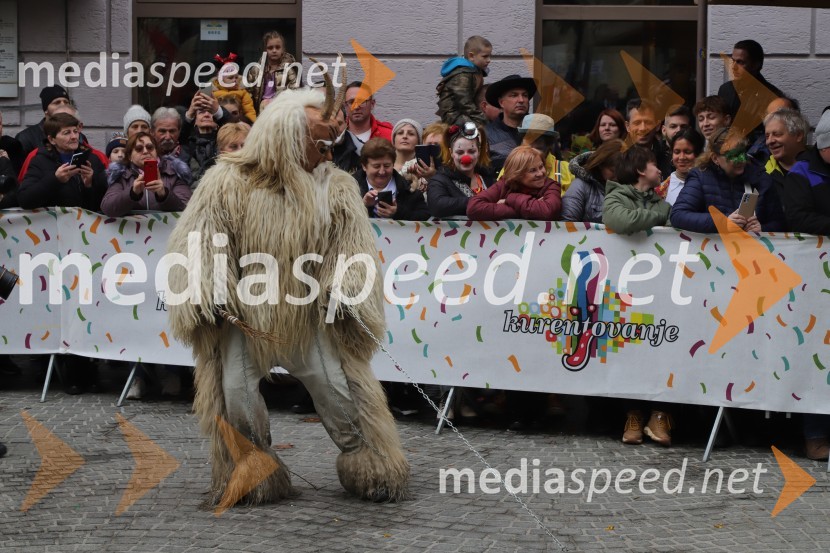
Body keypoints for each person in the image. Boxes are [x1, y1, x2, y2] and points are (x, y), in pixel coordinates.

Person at [166, 84, 410, 507]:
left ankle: (368, 461)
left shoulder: (335, 187)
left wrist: (345, 291)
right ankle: (253, 469)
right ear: (287, 136)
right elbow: (198, 241)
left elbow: (353, 248)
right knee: (236, 394)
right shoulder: (226, 180)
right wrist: (210, 290)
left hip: (307, 311)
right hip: (245, 312)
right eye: (320, 143)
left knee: (337, 389)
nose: (328, 152)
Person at [18, 112, 107, 395]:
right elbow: (25, 199)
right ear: (51, 139)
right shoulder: (41, 162)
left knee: (83, 310)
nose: (73, 137)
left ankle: (85, 370)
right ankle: (57, 371)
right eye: (66, 133)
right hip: (51, 251)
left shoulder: (90, 160)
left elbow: (101, 206)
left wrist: (93, 184)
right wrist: (55, 180)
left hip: (86, 249)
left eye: (75, 131)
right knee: (58, 310)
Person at [602, 146, 673, 445]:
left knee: (660, 348)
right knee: (629, 348)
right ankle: (632, 414)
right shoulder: (617, 196)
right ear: (642, 171)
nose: (660, 170)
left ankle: (660, 414)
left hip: (657, 284)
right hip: (624, 286)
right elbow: (622, 221)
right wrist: (660, 213)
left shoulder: (658, 199)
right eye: (655, 165)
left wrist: (659, 211)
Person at [780, 108, 830, 460]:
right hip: (814, 278)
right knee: (817, 354)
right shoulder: (803, 171)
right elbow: (797, 217)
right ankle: (815, 433)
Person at [670, 127, 786, 234]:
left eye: (742, 153)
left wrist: (762, 229)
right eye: (732, 155)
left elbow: (780, 223)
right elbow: (678, 215)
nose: (741, 160)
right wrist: (723, 222)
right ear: (715, 158)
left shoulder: (761, 178)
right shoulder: (700, 177)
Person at [101, 132, 192, 216]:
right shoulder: (122, 175)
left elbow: (188, 208)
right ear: (130, 156)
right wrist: (132, 193)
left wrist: (164, 194)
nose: (145, 151)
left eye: (150, 147)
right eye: (139, 148)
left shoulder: (173, 172)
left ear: (156, 151)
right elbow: (108, 208)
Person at [467, 144, 561, 221]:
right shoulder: (505, 184)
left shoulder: (551, 186)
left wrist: (510, 199)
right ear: (517, 174)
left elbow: (548, 212)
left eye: (541, 167)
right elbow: (474, 208)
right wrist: (531, 208)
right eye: (532, 170)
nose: (540, 173)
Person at [717, 40, 784, 143]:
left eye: (740, 62)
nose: (733, 67)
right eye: (733, 61)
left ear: (756, 64)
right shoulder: (725, 89)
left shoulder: (772, 96)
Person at [427, 121, 493, 218]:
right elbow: (437, 205)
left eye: (471, 151)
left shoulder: (488, 178)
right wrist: (479, 201)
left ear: (478, 151)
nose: (466, 157)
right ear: (451, 153)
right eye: (460, 152)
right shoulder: (439, 180)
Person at [355, 137, 430, 221]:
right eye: (376, 166)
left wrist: (397, 213)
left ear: (393, 164)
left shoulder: (409, 190)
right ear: (364, 166)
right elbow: (340, 217)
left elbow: (425, 217)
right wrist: (363, 205)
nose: (382, 171)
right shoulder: (348, 188)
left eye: (387, 166)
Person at [561, 139, 624, 223]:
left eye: (623, 171)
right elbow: (567, 225)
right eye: (613, 170)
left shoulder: (633, 185)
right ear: (601, 165)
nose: (618, 175)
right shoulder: (580, 186)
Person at [436, 35, 491, 127]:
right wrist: (481, 117)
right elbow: (464, 102)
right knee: (481, 128)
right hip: (453, 114)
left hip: (464, 113)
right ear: (471, 56)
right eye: (485, 56)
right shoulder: (463, 75)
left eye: (489, 56)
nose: (489, 60)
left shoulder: (474, 71)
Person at [485, 75, 537, 173]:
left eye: (525, 95)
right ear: (501, 102)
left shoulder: (540, 131)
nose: (521, 100)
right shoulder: (487, 134)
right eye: (514, 95)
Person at [516, 113, 574, 193]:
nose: (532, 144)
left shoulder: (566, 170)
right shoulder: (513, 167)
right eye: (528, 137)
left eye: (537, 138)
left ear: (549, 144)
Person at [246, 30, 299, 113]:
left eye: (277, 47)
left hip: (280, 111)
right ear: (265, 50)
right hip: (260, 112)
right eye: (270, 48)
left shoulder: (288, 70)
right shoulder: (255, 70)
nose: (274, 50)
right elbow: (248, 93)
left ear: (283, 49)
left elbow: (295, 91)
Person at [15, 85, 72, 155]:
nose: (63, 105)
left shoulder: (77, 135)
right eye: (57, 102)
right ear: (46, 110)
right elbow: (22, 165)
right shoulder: (26, 138)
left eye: (66, 102)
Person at [763, 108, 808, 196]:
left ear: (798, 135)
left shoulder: (819, 170)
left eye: (777, 134)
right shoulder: (761, 173)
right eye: (767, 136)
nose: (770, 141)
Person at [655, 127, 705, 205]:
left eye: (687, 152)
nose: (681, 157)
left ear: (699, 154)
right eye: (677, 152)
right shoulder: (660, 191)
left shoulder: (710, 185)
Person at [624, 99, 672, 177]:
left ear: (657, 125)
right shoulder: (618, 158)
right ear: (627, 126)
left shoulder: (669, 158)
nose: (642, 128)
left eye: (648, 122)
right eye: (637, 123)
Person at [343, 81, 393, 154]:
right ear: (345, 105)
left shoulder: (389, 136)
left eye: (361, 101)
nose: (356, 107)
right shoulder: (337, 135)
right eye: (351, 102)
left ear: (372, 104)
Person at [391, 118, 435, 194]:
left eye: (411, 134)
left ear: (419, 140)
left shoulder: (426, 168)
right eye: (400, 133)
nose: (404, 136)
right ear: (393, 139)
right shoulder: (383, 164)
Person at [209, 53, 257, 123]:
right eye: (230, 78)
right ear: (220, 79)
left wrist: (252, 124)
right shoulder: (212, 92)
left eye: (236, 77)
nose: (235, 80)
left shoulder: (243, 92)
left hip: (237, 122)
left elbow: (249, 111)